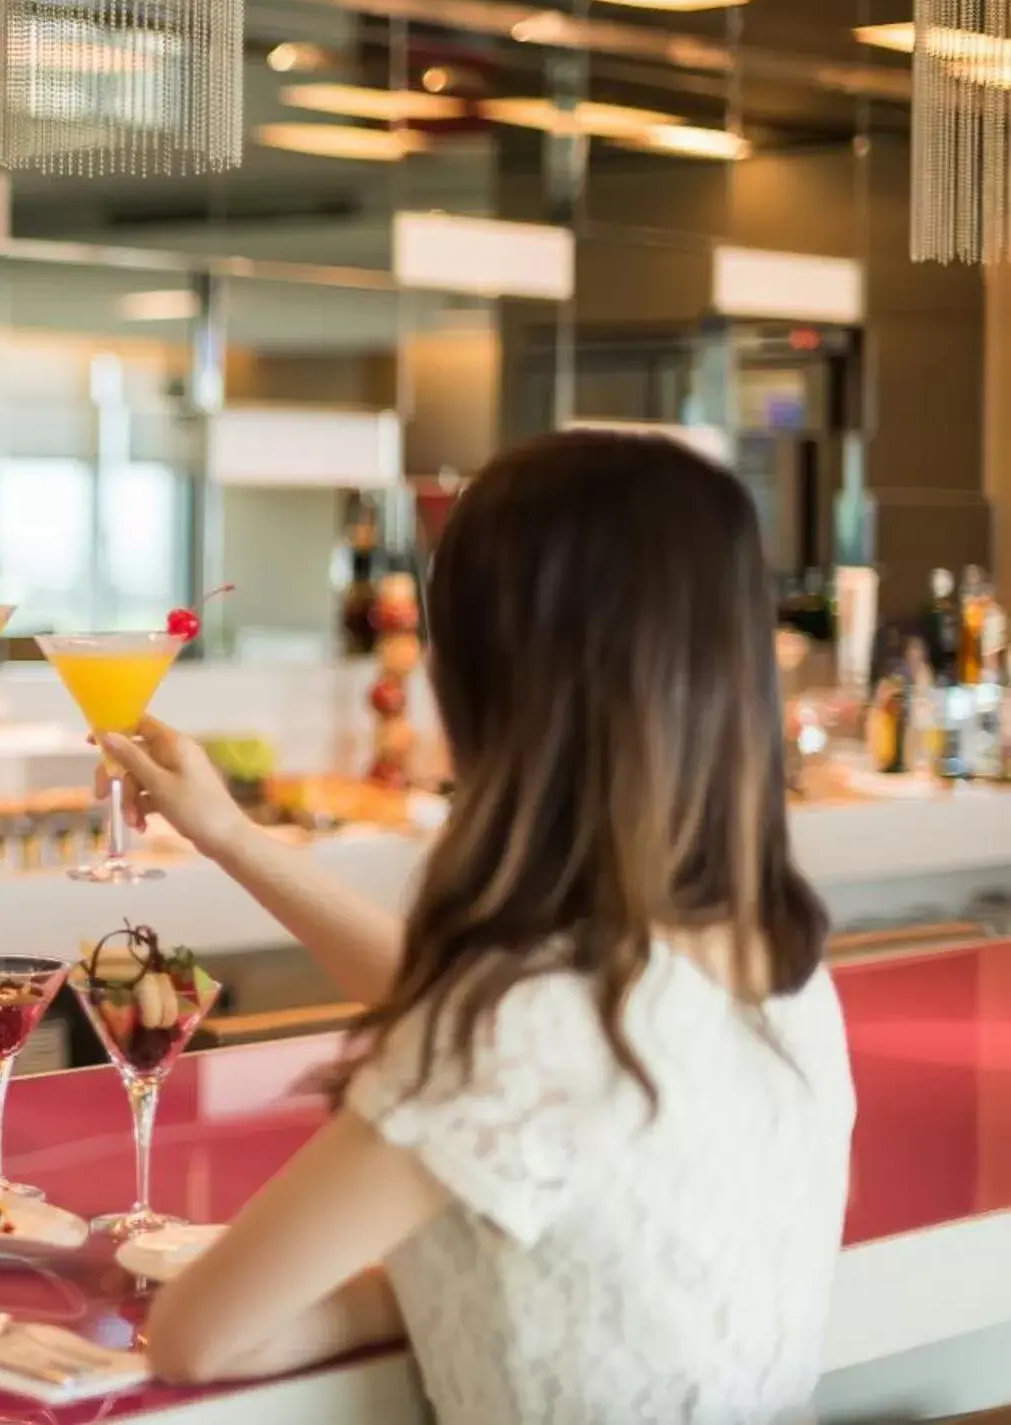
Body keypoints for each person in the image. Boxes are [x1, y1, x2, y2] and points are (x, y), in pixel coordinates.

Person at [100, 430, 854, 1424]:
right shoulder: (777, 969)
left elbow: (200, 1331)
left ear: (495, 680)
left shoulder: (522, 1028)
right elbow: (470, 1006)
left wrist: (387, 1287)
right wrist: (228, 835)